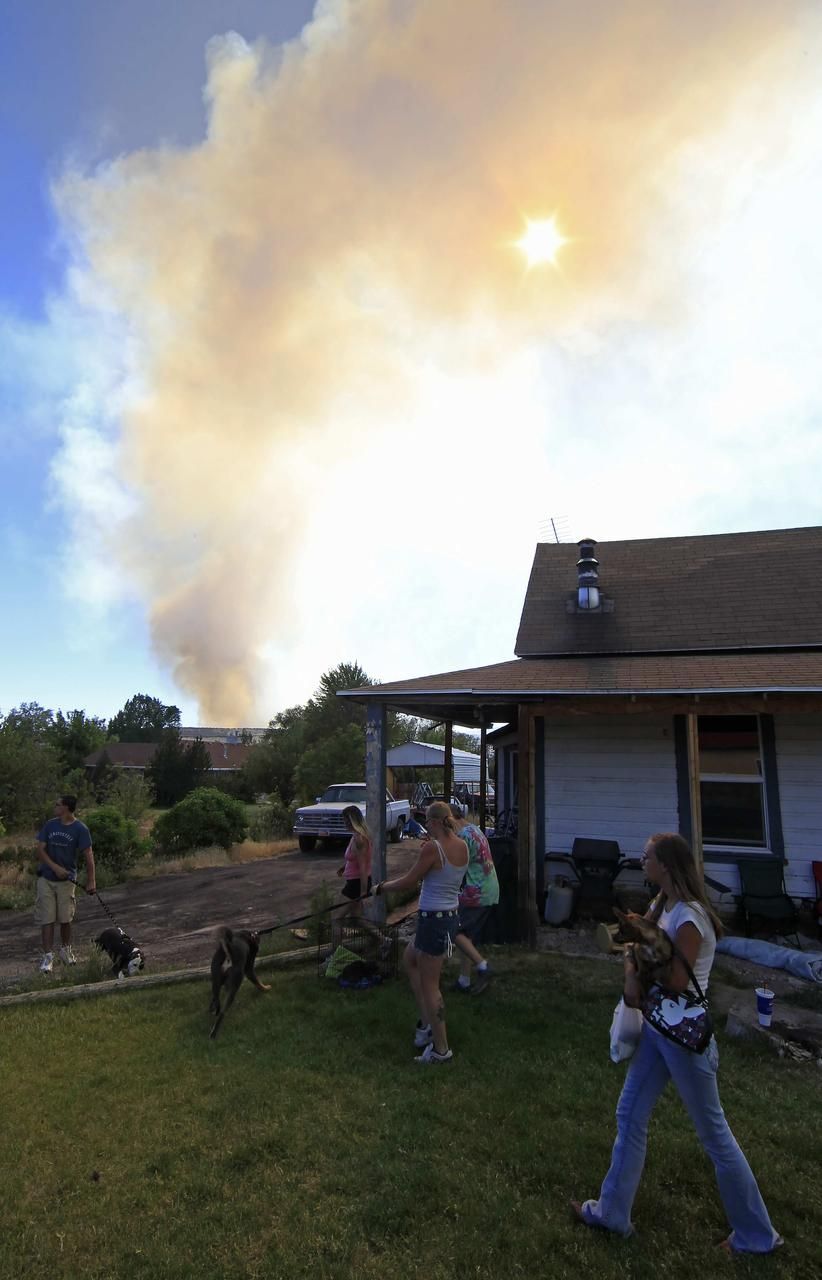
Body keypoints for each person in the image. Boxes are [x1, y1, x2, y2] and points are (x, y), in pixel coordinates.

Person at [571, 832, 782, 1256]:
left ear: (666, 864)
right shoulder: (662, 904)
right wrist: (632, 955)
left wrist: (633, 970)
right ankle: (612, 1213)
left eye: (647, 856)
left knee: (715, 1137)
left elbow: (677, 980)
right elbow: (640, 947)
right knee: (629, 1113)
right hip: (657, 1030)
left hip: (684, 1037)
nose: (642, 860)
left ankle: (758, 1236)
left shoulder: (690, 917)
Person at [374, 800, 468, 1064]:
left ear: (437, 822)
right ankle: (428, 1023)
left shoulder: (433, 849)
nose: (426, 824)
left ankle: (441, 1049)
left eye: (428, 820)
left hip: (433, 921)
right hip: (449, 918)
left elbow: (409, 881)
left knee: (431, 986)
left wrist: (381, 887)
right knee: (409, 958)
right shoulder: (461, 845)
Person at [35, 794, 96, 973]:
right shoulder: (50, 825)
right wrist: (54, 867)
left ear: (67, 808)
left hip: (66, 881)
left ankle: (66, 950)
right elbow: (40, 850)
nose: (55, 807)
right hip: (45, 878)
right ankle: (47, 957)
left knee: (65, 918)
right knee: (47, 918)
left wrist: (91, 880)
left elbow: (88, 855)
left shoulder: (80, 829)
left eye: (57, 805)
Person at [449, 805, 498, 994]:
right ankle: (464, 980)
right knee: (466, 937)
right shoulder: (474, 828)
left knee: (453, 929)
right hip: (488, 888)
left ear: (451, 818)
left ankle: (483, 967)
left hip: (476, 891)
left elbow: (454, 867)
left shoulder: (462, 837)